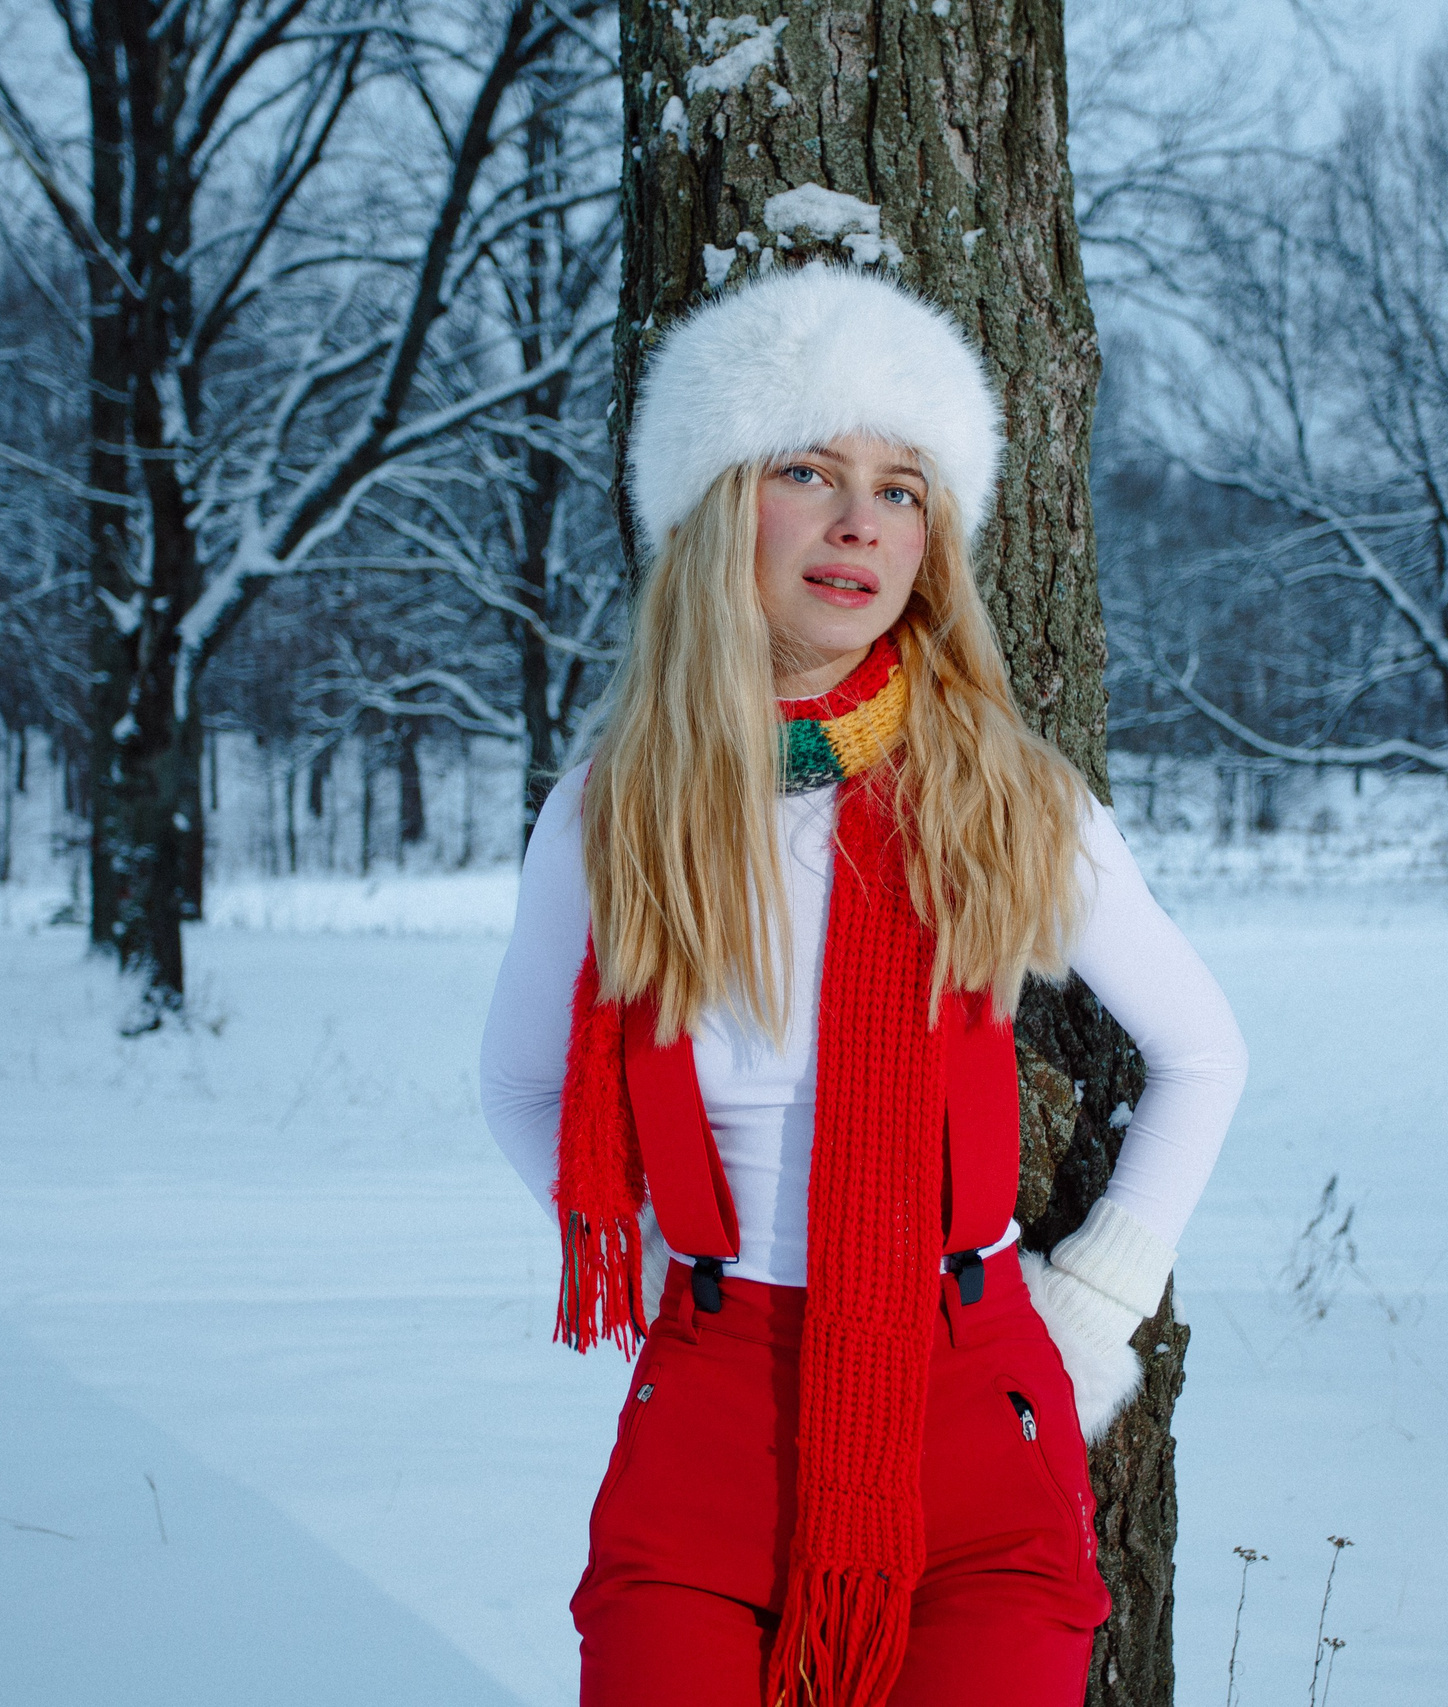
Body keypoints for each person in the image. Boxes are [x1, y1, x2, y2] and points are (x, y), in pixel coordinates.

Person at [478, 264, 1246, 1707]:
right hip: (705, 1416)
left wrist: (1091, 1308)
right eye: (811, 471)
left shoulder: (1001, 795)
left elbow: (1203, 1052)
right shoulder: (617, 809)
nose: (858, 523)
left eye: (902, 489)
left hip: (971, 1411)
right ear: (719, 509)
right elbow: (522, 1083)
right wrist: (656, 1275)